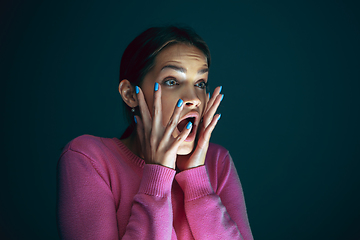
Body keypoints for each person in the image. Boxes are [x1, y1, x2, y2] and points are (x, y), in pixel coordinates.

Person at [56, 26, 253, 240]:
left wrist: (197, 180)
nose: (194, 98)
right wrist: (158, 173)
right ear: (130, 94)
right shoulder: (88, 159)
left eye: (200, 83)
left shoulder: (217, 162)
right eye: (172, 82)